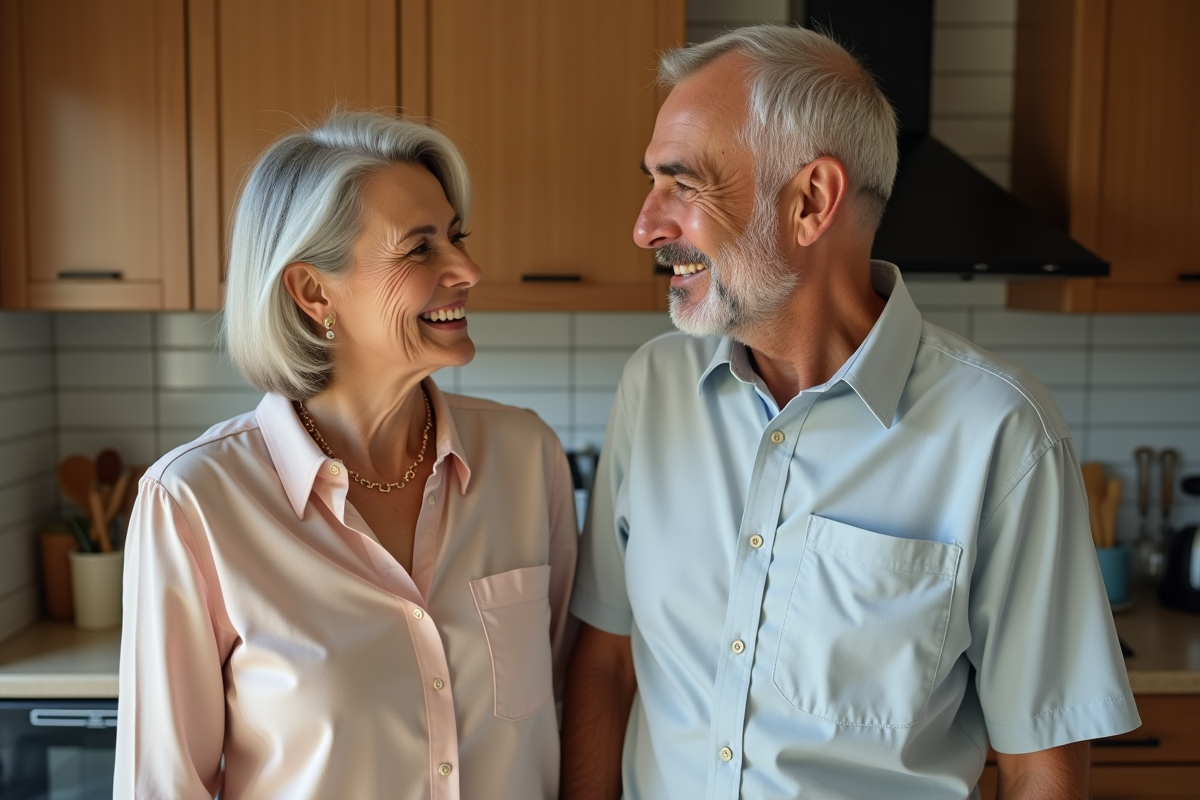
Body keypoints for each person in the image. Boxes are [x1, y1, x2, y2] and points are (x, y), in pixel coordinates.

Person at [561, 25, 1139, 800]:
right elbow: (606, 660)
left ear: (811, 201)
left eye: (684, 185)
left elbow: (1042, 767)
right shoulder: (653, 389)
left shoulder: (1003, 434)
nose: (646, 227)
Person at [115, 111, 577, 799]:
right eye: (420, 249)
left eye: (456, 236)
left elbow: (568, 707)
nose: (469, 269)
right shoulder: (194, 502)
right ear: (312, 291)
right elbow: (163, 787)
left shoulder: (527, 457)